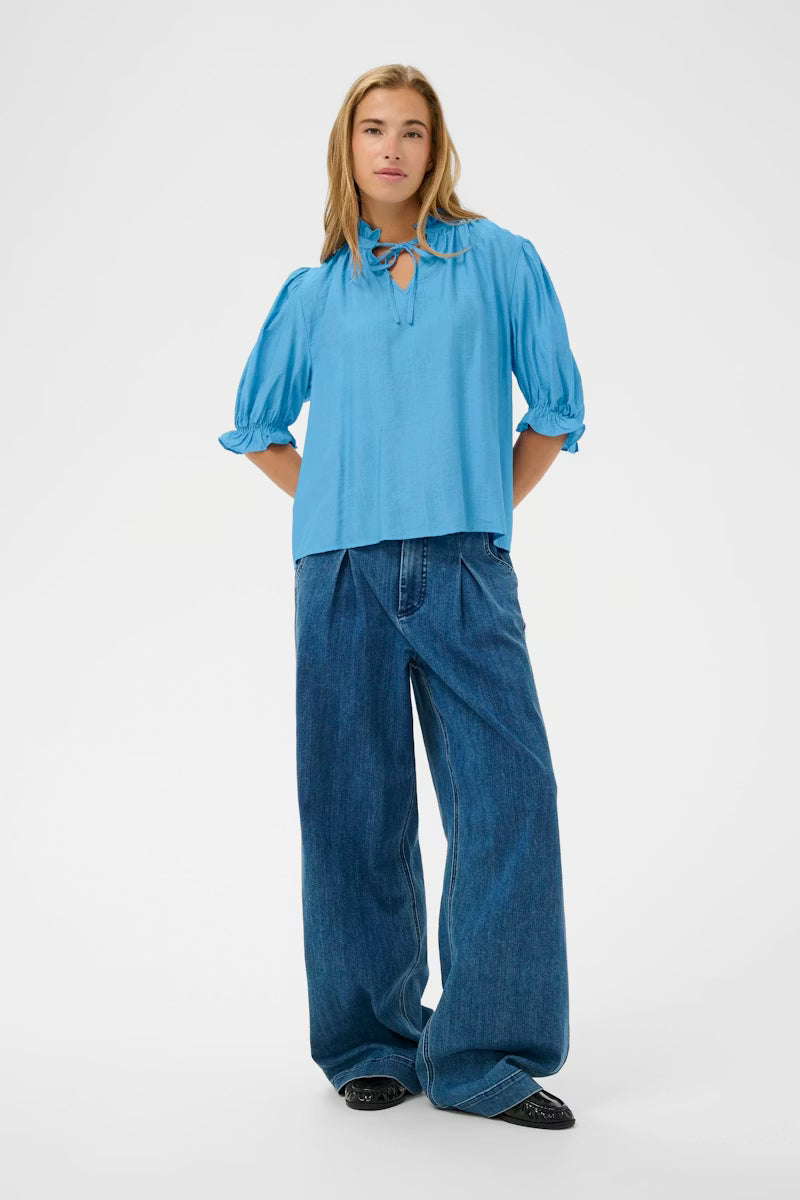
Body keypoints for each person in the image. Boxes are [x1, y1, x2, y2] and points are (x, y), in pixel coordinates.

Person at [219, 64, 585, 1130]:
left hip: (465, 565)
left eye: (412, 130)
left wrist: (478, 505)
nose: (392, 148)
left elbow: (553, 410)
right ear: (347, 147)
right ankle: (369, 1043)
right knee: (352, 810)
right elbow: (257, 427)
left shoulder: (501, 262)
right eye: (373, 129)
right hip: (338, 572)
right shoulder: (313, 293)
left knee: (509, 799)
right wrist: (343, 499)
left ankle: (483, 1055)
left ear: (437, 148)